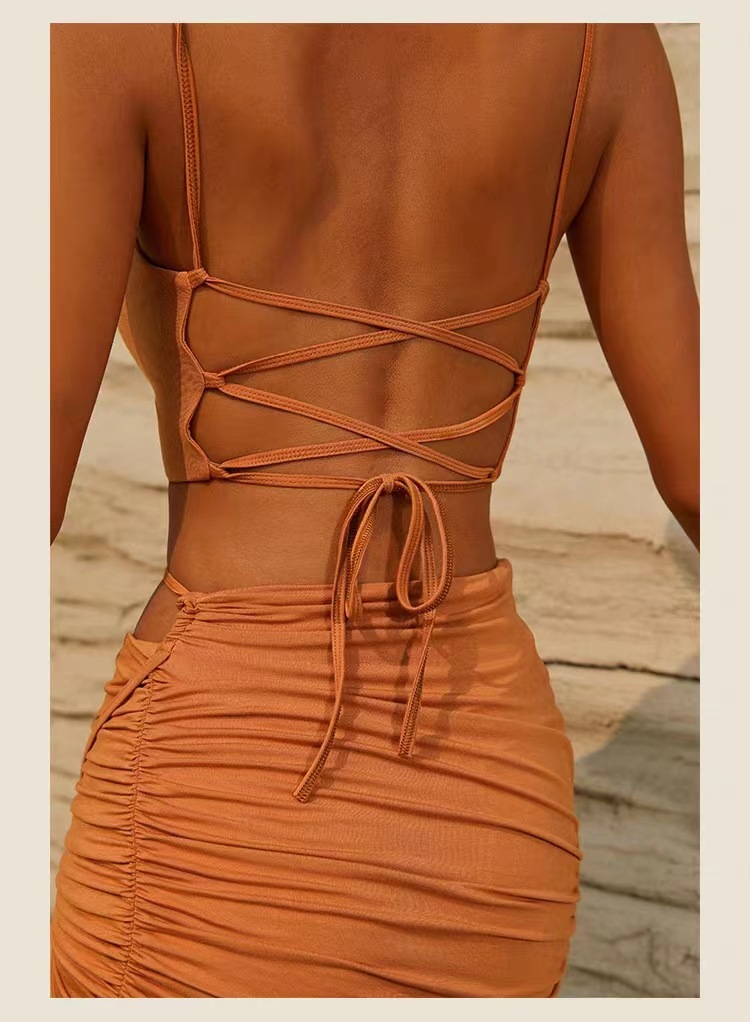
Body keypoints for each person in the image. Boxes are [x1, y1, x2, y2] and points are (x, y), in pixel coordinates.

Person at [50, 22, 699, 998]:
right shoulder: (605, 43)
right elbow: (702, 477)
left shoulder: (116, 32)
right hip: (491, 796)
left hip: (218, 790)